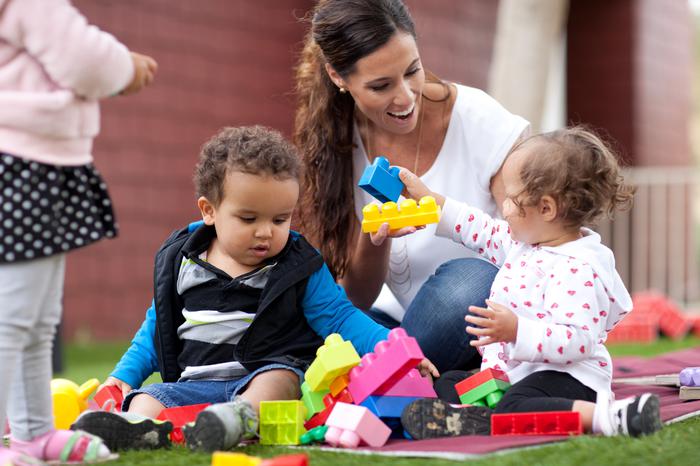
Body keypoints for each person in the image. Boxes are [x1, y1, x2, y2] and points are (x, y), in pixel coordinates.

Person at [72, 126, 438, 452]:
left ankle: (238, 419)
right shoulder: (181, 262)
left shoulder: (297, 265)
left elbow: (340, 318)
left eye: (281, 219)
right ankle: (144, 429)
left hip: (261, 377)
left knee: (279, 380)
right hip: (193, 384)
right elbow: (155, 330)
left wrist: (396, 352)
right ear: (209, 211)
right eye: (249, 219)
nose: (266, 232)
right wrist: (122, 377)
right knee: (147, 399)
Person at [293, 0, 530, 374]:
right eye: (381, 85)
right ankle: (409, 373)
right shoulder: (337, 143)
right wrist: (377, 239)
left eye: (412, 71)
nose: (405, 97)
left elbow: (532, 249)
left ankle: (387, 376)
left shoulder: (479, 119)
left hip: (482, 315)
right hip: (394, 322)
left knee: (470, 281)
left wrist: (442, 209)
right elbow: (357, 296)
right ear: (339, 78)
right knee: (317, 326)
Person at [397, 127, 663, 439]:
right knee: (450, 382)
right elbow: (480, 229)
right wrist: (432, 202)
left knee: (514, 404)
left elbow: (577, 340)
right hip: (517, 375)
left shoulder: (577, 268)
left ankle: (607, 417)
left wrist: (516, 330)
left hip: (568, 378)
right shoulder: (525, 243)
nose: (503, 207)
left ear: (547, 208)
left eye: (510, 198)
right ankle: (482, 417)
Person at [0, 0, 157, 464]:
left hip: (33, 163)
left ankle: (32, 434)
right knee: (12, 320)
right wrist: (126, 67)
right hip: (22, 163)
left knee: (37, 319)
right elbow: (83, 59)